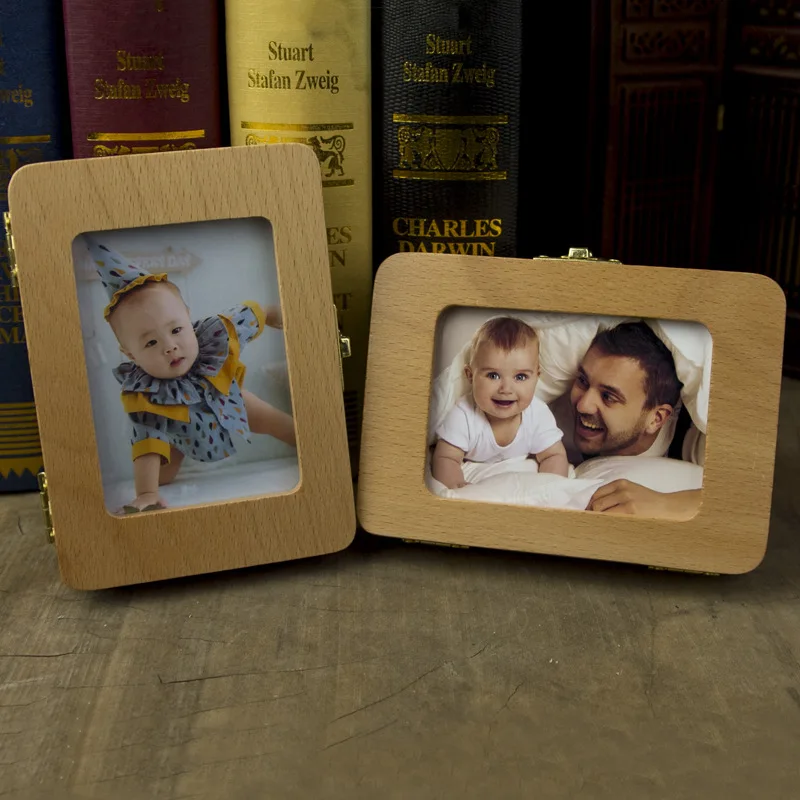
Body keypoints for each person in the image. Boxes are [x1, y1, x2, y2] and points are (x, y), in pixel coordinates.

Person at [85, 236, 296, 514]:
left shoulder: (215, 334)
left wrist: (274, 313)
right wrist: (147, 492)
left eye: (176, 330)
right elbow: (146, 439)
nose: (170, 347)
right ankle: (157, 483)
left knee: (272, 419)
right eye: (151, 343)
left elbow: (250, 315)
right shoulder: (145, 394)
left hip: (229, 402)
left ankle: (312, 445)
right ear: (131, 354)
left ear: (187, 315)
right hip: (179, 433)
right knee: (162, 474)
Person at [549, 320, 702, 520]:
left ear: (656, 419)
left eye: (608, 397)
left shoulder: (696, 442)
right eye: (583, 381)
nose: (582, 405)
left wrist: (666, 504)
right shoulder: (551, 405)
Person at [432, 316, 569, 489]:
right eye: (493, 375)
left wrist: (551, 487)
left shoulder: (538, 414)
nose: (506, 389)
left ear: (536, 377)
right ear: (470, 376)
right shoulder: (464, 414)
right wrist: (456, 486)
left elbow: (554, 455)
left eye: (520, 377)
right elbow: (446, 457)